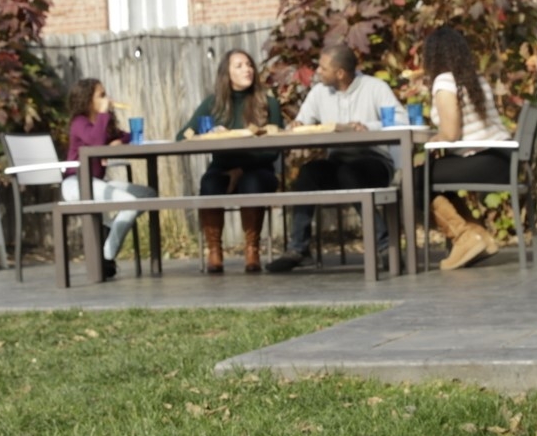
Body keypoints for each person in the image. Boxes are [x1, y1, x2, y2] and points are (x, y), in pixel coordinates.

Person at [265, 43, 404, 273]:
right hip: (338, 161)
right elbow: (302, 122)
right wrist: (297, 125)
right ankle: (298, 249)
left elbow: (400, 119)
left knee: (349, 174)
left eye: (323, 68)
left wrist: (368, 126)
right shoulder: (319, 92)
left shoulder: (375, 87)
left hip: (374, 161)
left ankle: (385, 247)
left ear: (340, 73)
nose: (318, 72)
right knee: (308, 174)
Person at [180, 49, 287, 274]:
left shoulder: (268, 103)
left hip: (259, 170)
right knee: (209, 184)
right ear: (226, 74)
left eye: (249, 64)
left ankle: (252, 251)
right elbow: (182, 137)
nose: (247, 69)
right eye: (239, 66)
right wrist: (209, 132)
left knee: (252, 184)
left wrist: (241, 169)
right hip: (222, 169)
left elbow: (275, 149)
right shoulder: (213, 104)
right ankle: (214, 252)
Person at [415, 26, 512, 270]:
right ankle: (480, 236)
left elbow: (451, 132)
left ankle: (464, 236)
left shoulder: (445, 82)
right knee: (430, 175)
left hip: (483, 160)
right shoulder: (473, 78)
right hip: (502, 158)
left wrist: (436, 138)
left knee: (416, 179)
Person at [61, 77, 157, 279]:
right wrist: (104, 114)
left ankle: (107, 231)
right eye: (101, 95)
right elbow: (95, 142)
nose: (108, 98)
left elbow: (128, 136)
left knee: (148, 194)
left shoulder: (103, 123)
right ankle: (105, 256)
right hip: (76, 184)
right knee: (130, 204)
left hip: (96, 183)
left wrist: (116, 141)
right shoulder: (79, 123)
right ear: (88, 100)